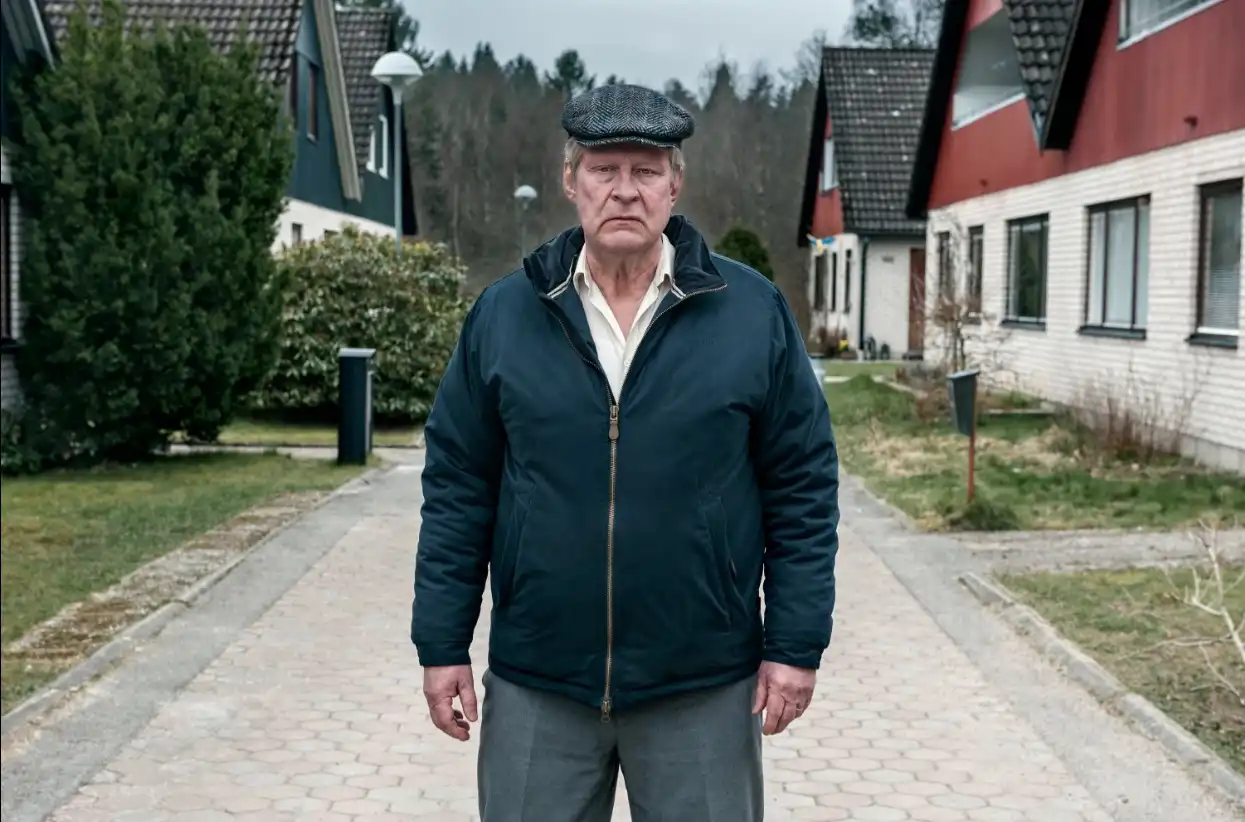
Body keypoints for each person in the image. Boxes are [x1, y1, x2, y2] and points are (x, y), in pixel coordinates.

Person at [411, 83, 840, 822]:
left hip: (702, 686)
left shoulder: (750, 313)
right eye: (603, 169)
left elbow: (802, 488)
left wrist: (795, 645)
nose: (624, 190)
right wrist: (442, 643)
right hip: (540, 682)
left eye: (645, 171)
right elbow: (458, 489)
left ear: (675, 185)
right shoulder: (506, 315)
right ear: (569, 180)